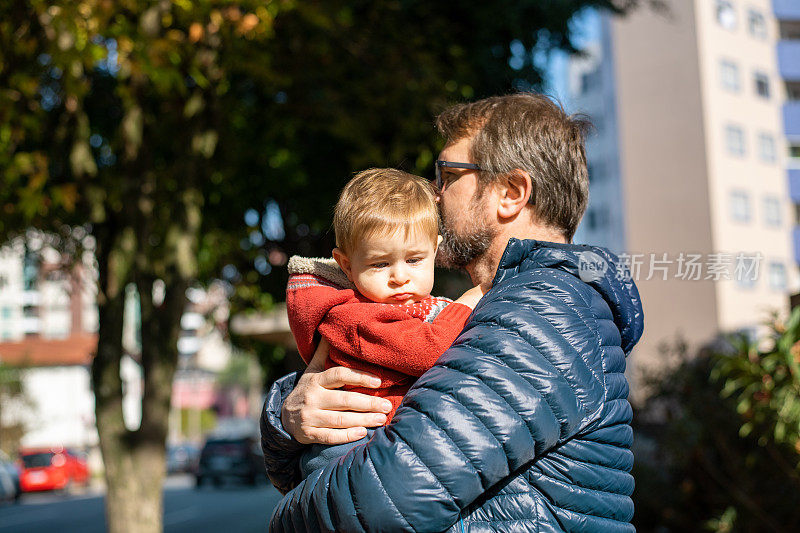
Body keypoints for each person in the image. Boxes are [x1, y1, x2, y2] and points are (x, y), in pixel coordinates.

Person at [261, 93, 645, 532]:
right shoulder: (516, 306)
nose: (436, 196)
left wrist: (284, 520)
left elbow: (383, 498)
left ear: (511, 193)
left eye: (447, 174)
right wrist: (287, 415)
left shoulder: (543, 312)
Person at [285, 168, 485, 476]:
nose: (400, 277)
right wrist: (466, 303)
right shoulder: (350, 316)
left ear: (435, 249)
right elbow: (426, 351)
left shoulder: (412, 306)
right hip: (347, 449)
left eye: (415, 259)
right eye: (381, 264)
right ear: (347, 266)